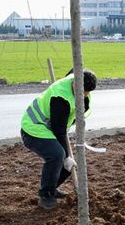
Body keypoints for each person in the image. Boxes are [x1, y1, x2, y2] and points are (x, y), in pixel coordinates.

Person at [20, 69, 96, 210]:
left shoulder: (79, 77)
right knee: (58, 156)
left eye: (87, 92)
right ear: (75, 83)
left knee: (67, 166)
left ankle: (51, 187)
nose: (84, 94)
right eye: (83, 91)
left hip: (51, 128)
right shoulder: (60, 98)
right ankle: (46, 196)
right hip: (34, 128)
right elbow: (58, 129)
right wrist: (66, 155)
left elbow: (75, 68)